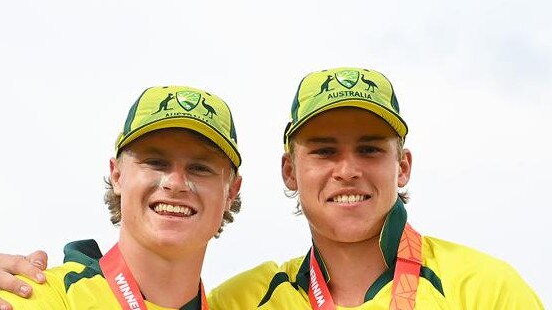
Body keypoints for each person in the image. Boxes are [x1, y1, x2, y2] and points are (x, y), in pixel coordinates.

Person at [0, 67, 544, 309]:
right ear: (289, 172)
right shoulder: (242, 301)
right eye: (325, 150)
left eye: (371, 150)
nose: (348, 170)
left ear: (403, 166)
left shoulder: (488, 290)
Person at [0, 85, 243, 309]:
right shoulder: (44, 297)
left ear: (231, 191)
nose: (176, 183)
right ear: (117, 175)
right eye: (155, 162)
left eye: (200, 168)